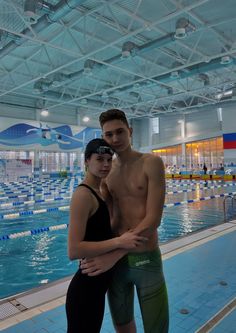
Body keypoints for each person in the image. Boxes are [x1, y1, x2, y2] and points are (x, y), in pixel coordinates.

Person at [81, 110, 169, 333]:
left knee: (157, 327)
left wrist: (115, 252)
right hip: (117, 265)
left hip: (146, 260)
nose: (115, 139)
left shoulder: (152, 163)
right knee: (122, 324)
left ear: (130, 131)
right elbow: (107, 218)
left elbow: (153, 219)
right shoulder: (107, 171)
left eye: (120, 132)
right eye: (108, 135)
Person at [66, 138, 147, 333]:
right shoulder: (83, 195)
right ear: (86, 161)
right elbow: (74, 249)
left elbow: (100, 234)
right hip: (85, 290)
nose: (105, 165)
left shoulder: (100, 191)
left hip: (96, 289)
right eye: (99, 159)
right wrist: (120, 241)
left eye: (109, 159)